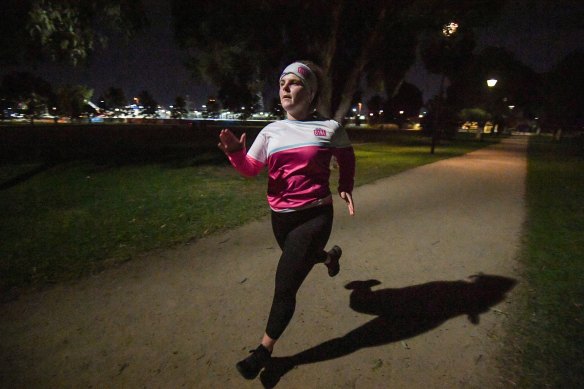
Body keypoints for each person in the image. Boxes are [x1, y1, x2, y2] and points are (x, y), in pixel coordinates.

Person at [217, 60, 356, 380]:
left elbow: (347, 157)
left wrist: (345, 186)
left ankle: (263, 352)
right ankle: (329, 257)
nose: (285, 89)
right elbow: (251, 169)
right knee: (303, 259)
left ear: (311, 92)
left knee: (285, 285)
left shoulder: (330, 128)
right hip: (280, 218)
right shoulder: (271, 131)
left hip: (315, 216)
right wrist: (237, 154)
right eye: (281, 83)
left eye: (293, 83)